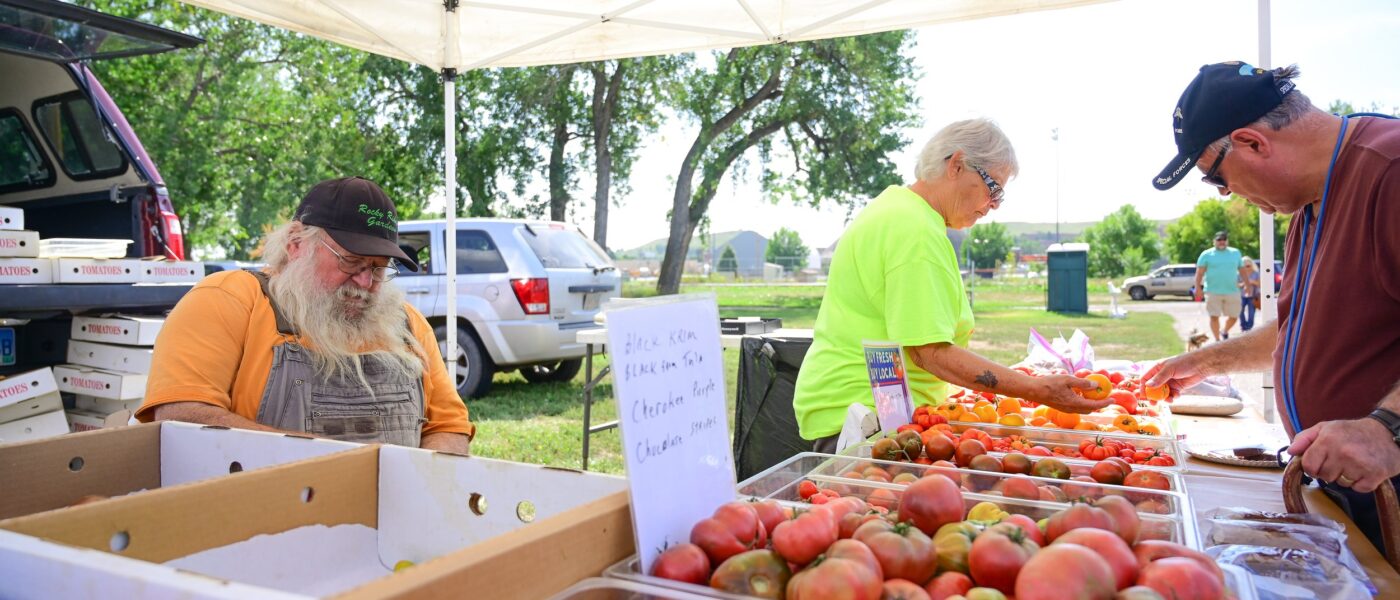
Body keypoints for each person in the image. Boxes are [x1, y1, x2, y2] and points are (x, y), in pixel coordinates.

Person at [1147, 62, 1400, 550]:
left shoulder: (1389, 170)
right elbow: (1303, 326)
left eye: (1215, 178)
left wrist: (1385, 430)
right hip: (1351, 488)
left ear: (1252, 143)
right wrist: (1204, 360)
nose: (1224, 194)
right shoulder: (1310, 200)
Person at [792, 118, 1107, 452]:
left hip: (859, 409)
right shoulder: (916, 231)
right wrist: (1036, 389)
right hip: (863, 418)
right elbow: (931, 353)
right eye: (994, 187)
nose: (994, 205)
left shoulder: (897, 208)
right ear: (957, 165)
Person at [137, 177, 474, 452]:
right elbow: (182, 417)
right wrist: (327, 467)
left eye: (378, 268)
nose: (365, 281)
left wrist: (421, 485)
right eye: (351, 261)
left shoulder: (407, 324)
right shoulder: (227, 299)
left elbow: (450, 428)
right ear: (296, 243)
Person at [1193, 230, 1246, 341]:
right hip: (1212, 291)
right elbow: (1199, 273)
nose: (1221, 242)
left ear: (1227, 241)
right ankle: (1217, 340)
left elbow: (1242, 270)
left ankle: (1224, 331)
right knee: (1214, 316)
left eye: (1224, 240)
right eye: (1219, 240)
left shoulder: (1235, 253)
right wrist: (1198, 288)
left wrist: (1248, 284)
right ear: (1214, 241)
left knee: (1234, 316)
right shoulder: (1206, 254)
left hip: (1232, 290)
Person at [1238, 257, 1259, 332]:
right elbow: (1236, 284)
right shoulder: (1239, 274)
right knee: (1239, 311)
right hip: (1241, 295)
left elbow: (1260, 284)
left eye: (1248, 266)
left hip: (1253, 296)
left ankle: (1249, 327)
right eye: (1245, 266)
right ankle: (1243, 326)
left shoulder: (1256, 273)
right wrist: (1245, 283)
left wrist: (1252, 282)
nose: (1247, 268)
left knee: (1251, 312)